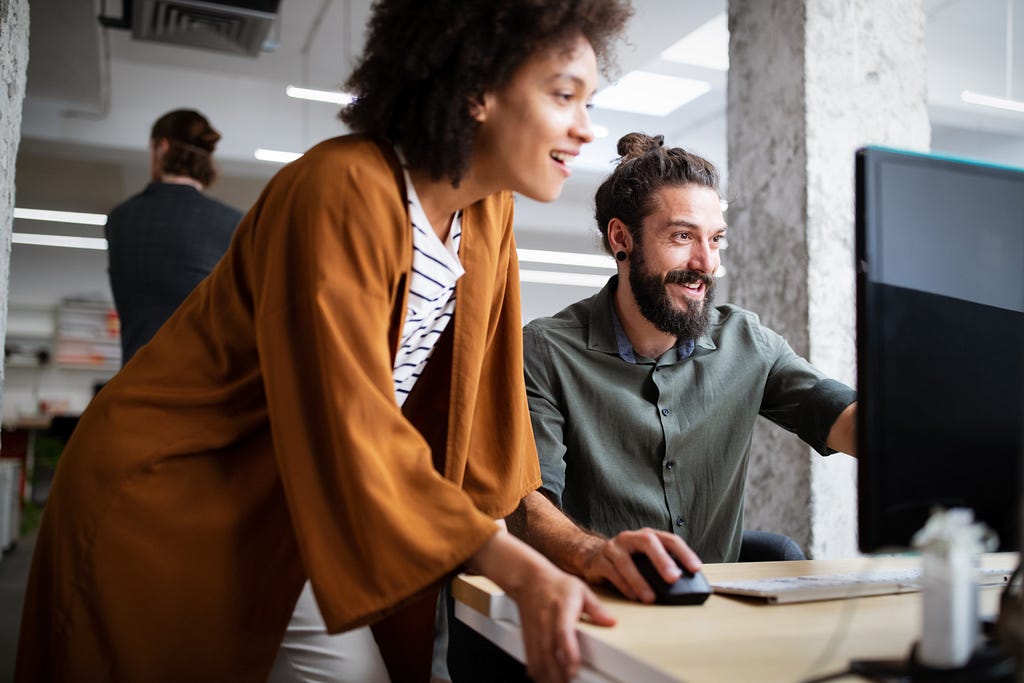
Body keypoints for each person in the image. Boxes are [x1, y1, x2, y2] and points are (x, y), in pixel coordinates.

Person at [14, 2, 634, 682]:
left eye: (589, 103)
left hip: (286, 503)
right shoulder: (342, 187)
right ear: (476, 88)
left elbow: (491, 441)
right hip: (170, 498)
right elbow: (349, 417)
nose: (585, 130)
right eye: (564, 95)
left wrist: (574, 548)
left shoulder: (487, 215)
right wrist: (518, 571)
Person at [513, 131, 858, 598]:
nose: (706, 262)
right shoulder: (546, 351)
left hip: (716, 612)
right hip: (598, 606)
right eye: (682, 236)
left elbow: (849, 423)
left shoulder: (746, 341)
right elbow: (527, 503)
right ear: (622, 239)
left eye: (716, 239)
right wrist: (593, 553)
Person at [106, 108, 242, 365]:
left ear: (161, 148)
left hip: (134, 380)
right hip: (201, 383)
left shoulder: (120, 219)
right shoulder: (232, 222)